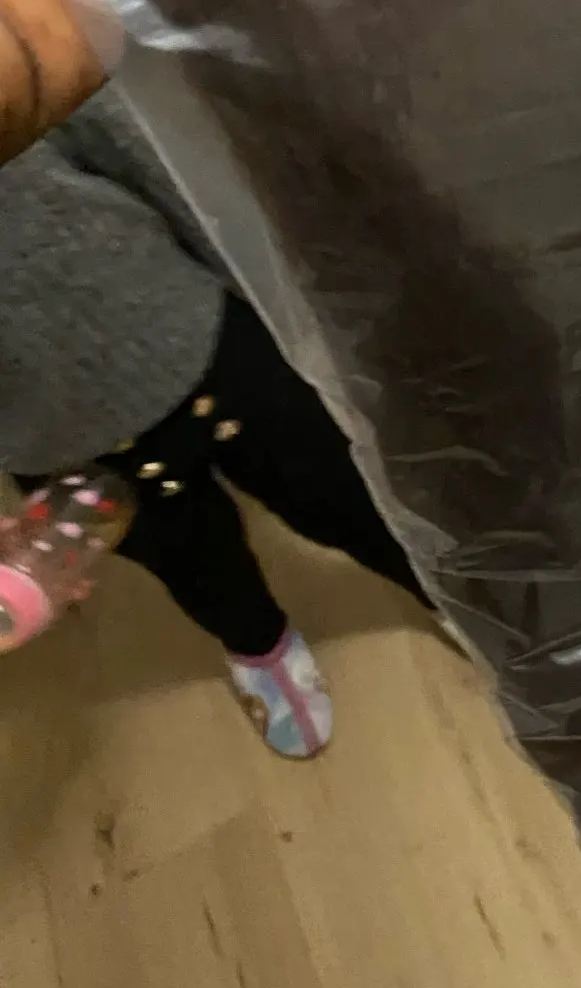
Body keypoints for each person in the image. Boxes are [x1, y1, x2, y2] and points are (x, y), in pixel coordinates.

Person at [3, 84, 429, 756]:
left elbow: (131, 143)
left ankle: (448, 591)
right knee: (195, 565)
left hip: (205, 340)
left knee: (343, 492)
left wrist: (256, 276)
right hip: (59, 446)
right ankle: (258, 643)